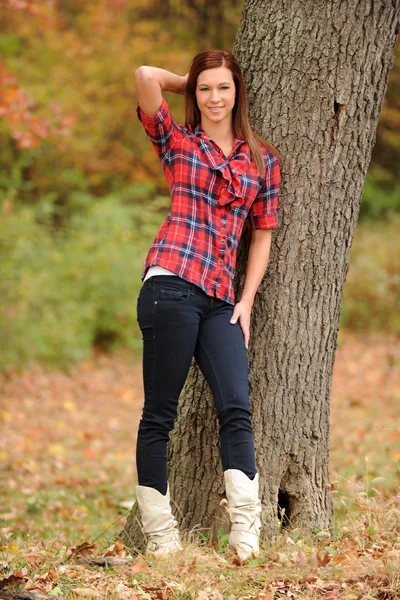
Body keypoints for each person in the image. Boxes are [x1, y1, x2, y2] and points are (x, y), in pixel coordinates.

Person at [134, 49, 281, 561]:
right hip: (170, 284)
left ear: (238, 91)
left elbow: (262, 234)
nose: (214, 98)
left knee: (236, 408)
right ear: (195, 94)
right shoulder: (176, 142)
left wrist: (247, 300)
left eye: (223, 87)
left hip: (221, 299)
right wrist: (185, 80)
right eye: (205, 89)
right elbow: (144, 76)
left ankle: (246, 531)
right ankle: (161, 539)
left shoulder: (260, 158)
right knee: (160, 415)